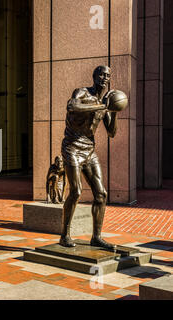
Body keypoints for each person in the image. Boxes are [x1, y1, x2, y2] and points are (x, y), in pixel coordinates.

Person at [60, 66, 118, 250]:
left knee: (101, 194)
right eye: (101, 74)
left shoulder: (106, 103)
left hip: (89, 149)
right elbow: (72, 106)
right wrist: (103, 106)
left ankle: (97, 237)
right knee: (76, 191)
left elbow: (111, 133)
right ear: (94, 76)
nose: (105, 78)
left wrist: (114, 110)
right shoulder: (82, 93)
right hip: (72, 147)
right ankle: (64, 235)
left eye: (108, 76)